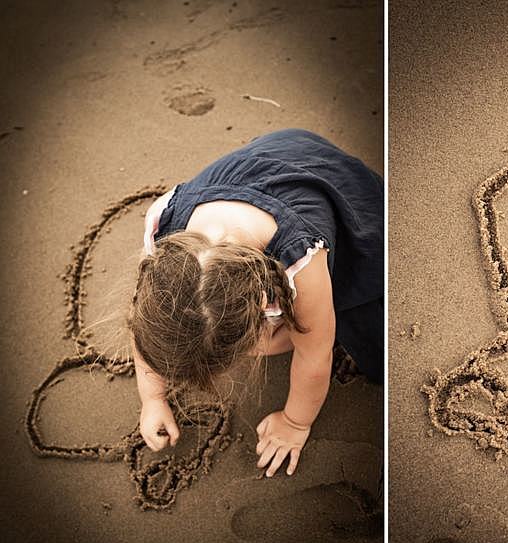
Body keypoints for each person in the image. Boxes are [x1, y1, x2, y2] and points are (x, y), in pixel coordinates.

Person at [129, 128, 383, 478]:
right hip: (272, 154)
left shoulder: (301, 261)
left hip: (337, 190)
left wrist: (295, 423)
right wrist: (152, 398)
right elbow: (145, 327)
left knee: (370, 344)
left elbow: (315, 354)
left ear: (262, 304)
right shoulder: (165, 237)